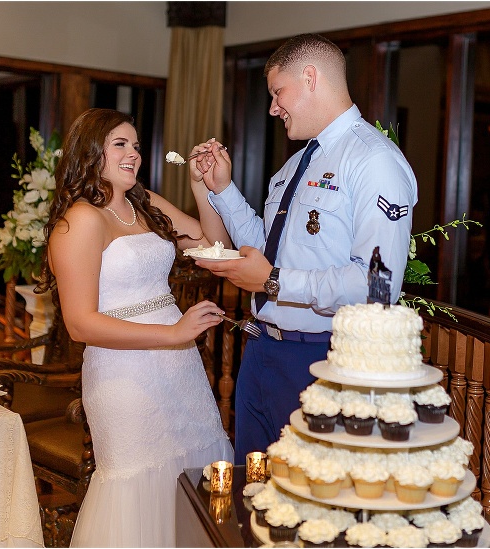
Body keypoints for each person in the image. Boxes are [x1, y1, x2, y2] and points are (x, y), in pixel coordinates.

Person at [189, 34, 418, 464]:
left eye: (279, 93)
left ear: (310, 78)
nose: (274, 108)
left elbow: (377, 287)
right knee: (252, 496)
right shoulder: (296, 164)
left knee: (307, 507)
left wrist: (274, 282)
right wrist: (222, 188)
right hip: (260, 352)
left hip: (322, 359)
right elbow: (262, 247)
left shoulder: (374, 161)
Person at [37, 108, 234, 547]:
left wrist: (201, 188)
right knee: (140, 486)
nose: (134, 154)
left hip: (179, 369)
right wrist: (172, 334)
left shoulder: (144, 201)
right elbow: (80, 323)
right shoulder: (81, 220)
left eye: (137, 146)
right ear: (91, 152)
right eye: (120, 144)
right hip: (125, 377)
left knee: (194, 467)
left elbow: (213, 247)